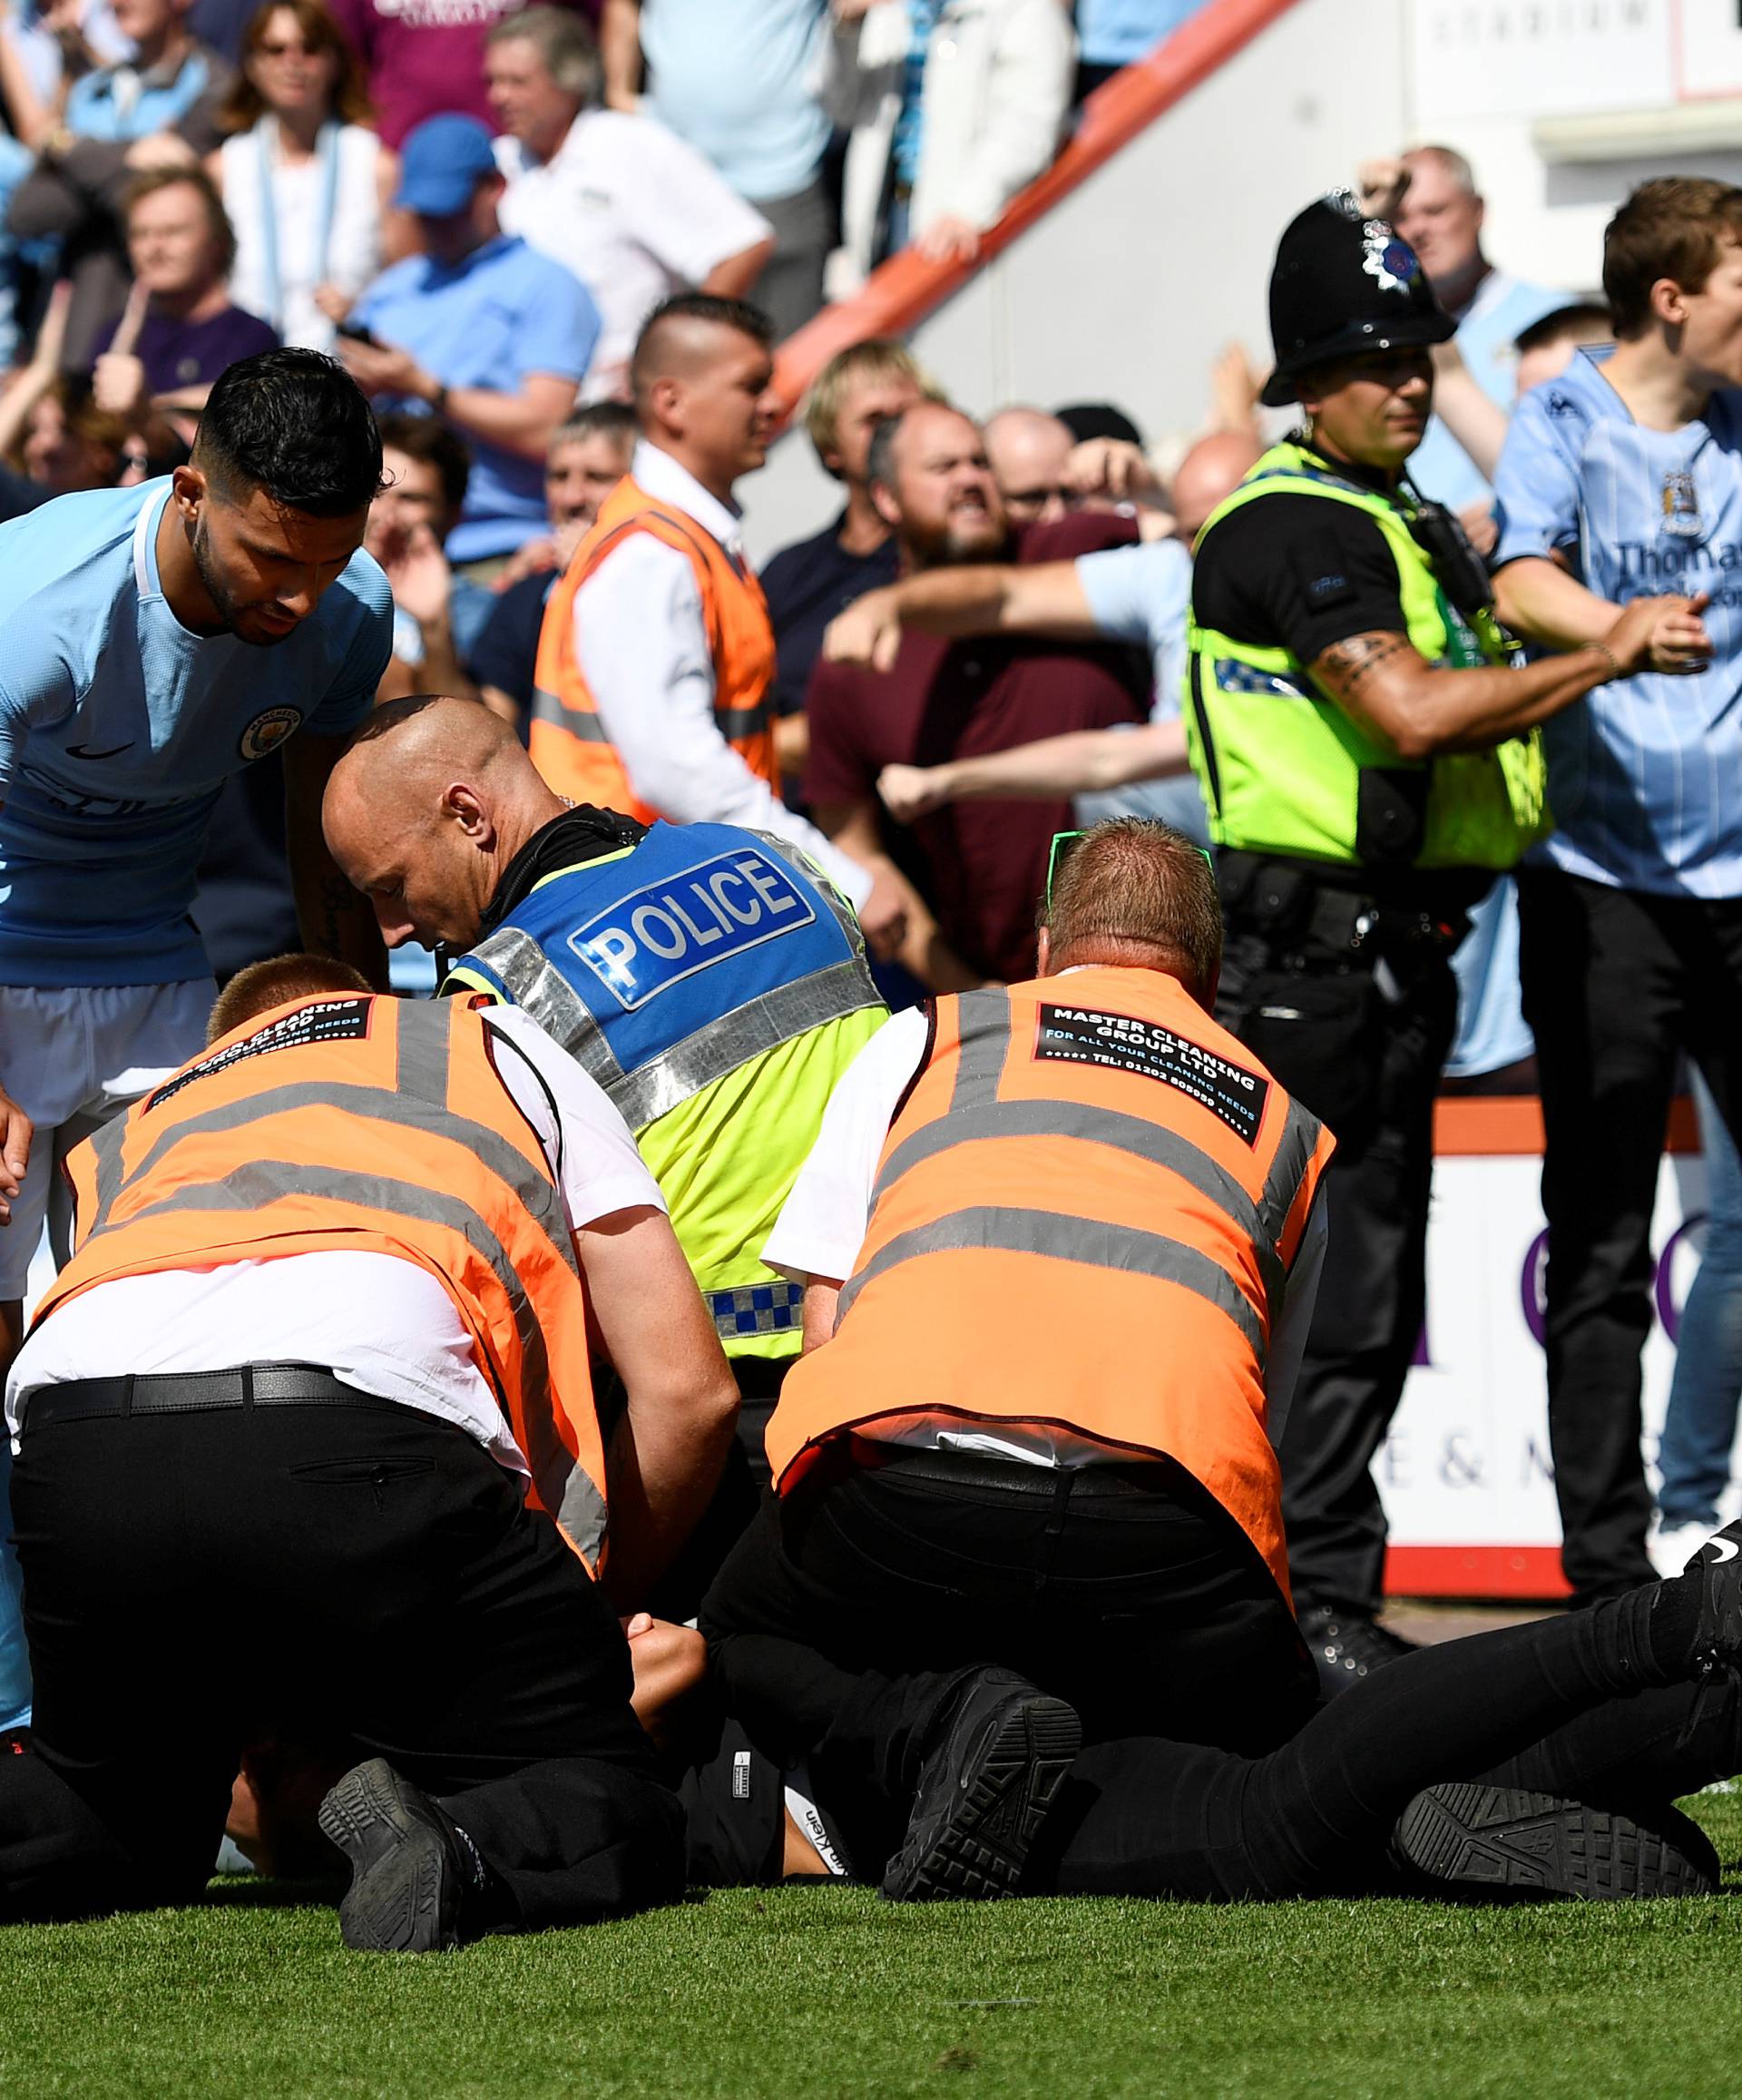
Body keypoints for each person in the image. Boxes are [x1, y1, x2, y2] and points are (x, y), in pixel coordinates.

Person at [1182, 191, 1689, 1683]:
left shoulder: (1393, 514)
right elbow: (1401, 709)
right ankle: (1300, 1606)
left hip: (1384, 956)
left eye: (1420, 351)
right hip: (1305, 970)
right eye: (1372, 357)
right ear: (1303, 380)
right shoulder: (1291, 523)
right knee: (1334, 1302)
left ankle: (1323, 1591)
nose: (1408, 378)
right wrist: (1603, 647)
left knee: (1368, 1293)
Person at [0, 950, 734, 1940]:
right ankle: (453, 1843)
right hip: (357, 1432)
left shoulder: (146, 1119)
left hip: (78, 1446)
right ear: (371, 1006)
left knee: (111, 1814)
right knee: (609, 1790)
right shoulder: (482, 1040)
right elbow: (689, 1392)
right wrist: (585, 1633)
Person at [700, 821, 1336, 1851]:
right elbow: (1261, 1416)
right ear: (1207, 981)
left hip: (903, 1501)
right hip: (1158, 1527)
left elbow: (828, 1328)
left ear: (1045, 949)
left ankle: (936, 1726)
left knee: (735, 1631)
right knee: (1251, 1736)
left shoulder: (926, 1040)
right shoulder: (1286, 1125)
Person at [321, 695, 888, 1493]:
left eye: (391, 886)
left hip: (729, 1415)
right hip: (901, 1332)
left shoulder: (494, 995)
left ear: (467, 815)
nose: (391, 930)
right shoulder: (773, 858)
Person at [1488, 177, 1742, 1604]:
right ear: (1674, 299)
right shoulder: (1564, 417)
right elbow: (1522, 578)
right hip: (1603, 886)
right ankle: (1608, 1574)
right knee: (1600, 1234)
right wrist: (1617, 626)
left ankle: (1713, 1510)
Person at [528, 292, 903, 945]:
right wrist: (840, 879)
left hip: (658, 903)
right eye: (751, 386)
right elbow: (678, 769)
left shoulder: (671, 537)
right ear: (671, 403)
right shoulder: (652, 554)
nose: (774, 404)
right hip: (642, 914)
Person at [802, 398, 1150, 986]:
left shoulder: (1075, 552)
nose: (970, 479)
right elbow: (853, 844)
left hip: (1160, 963)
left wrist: (1148, 481)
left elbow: (1193, 538)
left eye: (979, 463)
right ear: (886, 499)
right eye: (943, 467)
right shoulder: (855, 661)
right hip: (1006, 989)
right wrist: (965, 990)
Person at [823, 427, 1265, 849]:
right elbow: (1005, 597)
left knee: (1123, 807)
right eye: (1193, 531)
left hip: (1284, 853)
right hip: (1222, 863)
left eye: (1232, 520)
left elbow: (1116, 761)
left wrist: (947, 781)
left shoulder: (1307, 599)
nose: (1213, 546)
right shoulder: (1172, 570)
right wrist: (884, 605)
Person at [338, 112, 602, 566]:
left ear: (495, 188)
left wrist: (424, 387)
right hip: (375, 541)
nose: (437, 224)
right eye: (425, 210)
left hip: (496, 547)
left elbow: (548, 430)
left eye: (451, 208)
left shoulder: (547, 286)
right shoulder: (392, 288)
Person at [487, 6, 772, 405]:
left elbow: (741, 246)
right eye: (493, 81)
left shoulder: (629, 147)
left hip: (617, 413)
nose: (498, 96)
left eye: (517, 81)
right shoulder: (497, 163)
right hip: (517, 410)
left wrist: (666, 360)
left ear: (568, 80)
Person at [5, 0, 235, 369]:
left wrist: (67, 148)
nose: (115, 2)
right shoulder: (91, 89)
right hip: (71, 339)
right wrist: (134, 155)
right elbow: (30, 209)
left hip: (174, 345)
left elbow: (173, 196)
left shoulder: (215, 87)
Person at [602, 0, 837, 339]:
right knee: (686, 355)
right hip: (676, 177)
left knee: (789, 357)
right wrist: (618, 93)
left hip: (785, 175)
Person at [758, 339, 937, 733]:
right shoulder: (787, 575)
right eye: (874, 420)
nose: (893, 434)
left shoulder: (953, 558)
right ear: (830, 446)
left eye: (907, 417)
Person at [828, 0, 1074, 282]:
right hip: (883, 213)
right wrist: (847, 26)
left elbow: (1028, 128)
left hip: (960, 231)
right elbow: (840, 108)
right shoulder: (891, 11)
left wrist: (967, 209)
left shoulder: (1027, 11)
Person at [1382, 144, 1564, 517]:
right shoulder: (1378, 335)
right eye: (1400, 217)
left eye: (1435, 211)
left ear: (1478, 211)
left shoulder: (1555, 320)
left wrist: (1502, 513)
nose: (1417, 230)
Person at [210, 0, 390, 353]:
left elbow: (411, 291)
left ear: (335, 62)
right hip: (249, 378)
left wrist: (365, 310)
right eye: (276, 50)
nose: (293, 62)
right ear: (252, 64)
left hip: (345, 379)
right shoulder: (223, 169)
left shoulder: (375, 165)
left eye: (310, 48)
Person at [468, 403, 636, 731]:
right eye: (559, 476)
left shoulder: (673, 579)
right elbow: (490, 727)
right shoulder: (526, 593)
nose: (572, 497)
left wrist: (593, 574)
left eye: (597, 477)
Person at [90, 169, 279, 447]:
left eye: (172, 231)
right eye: (140, 234)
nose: (153, 248)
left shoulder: (251, 338)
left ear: (217, 241)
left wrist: (146, 409)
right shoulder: (114, 336)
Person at [367, 412, 494, 702]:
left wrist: (436, 626)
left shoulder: (479, 613)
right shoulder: (315, 588)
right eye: (376, 493)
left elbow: (467, 733)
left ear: (453, 515)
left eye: (411, 499)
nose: (387, 515)